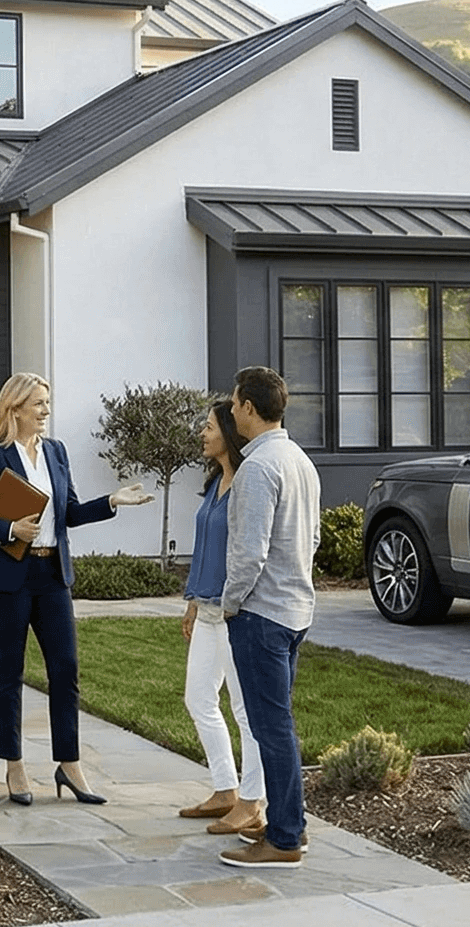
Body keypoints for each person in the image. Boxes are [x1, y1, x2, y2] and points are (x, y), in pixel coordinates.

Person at [0, 372, 153, 805]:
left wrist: (112, 502)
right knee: (10, 673)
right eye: (39, 404)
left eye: (47, 403)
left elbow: (68, 513)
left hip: (52, 577)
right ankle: (14, 766)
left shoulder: (56, 452)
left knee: (65, 672)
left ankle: (69, 765)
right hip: (8, 579)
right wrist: (10, 528)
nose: (46, 411)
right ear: (15, 409)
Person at [215, 365, 321, 870]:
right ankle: (288, 826)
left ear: (250, 410)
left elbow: (249, 553)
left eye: (234, 404)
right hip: (295, 610)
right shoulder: (299, 459)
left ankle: (283, 837)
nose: (231, 412)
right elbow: (314, 540)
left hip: (262, 615)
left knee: (271, 728)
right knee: (277, 725)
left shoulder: (258, 467)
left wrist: (230, 603)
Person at [177, 399, 266, 834]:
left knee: (246, 711)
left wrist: (228, 604)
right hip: (208, 609)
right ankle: (226, 789)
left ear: (228, 432)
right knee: (198, 699)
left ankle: (253, 802)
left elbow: (250, 552)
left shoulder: (248, 482)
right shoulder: (214, 483)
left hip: (236, 612)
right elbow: (204, 547)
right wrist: (192, 601)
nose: (203, 433)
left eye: (209, 427)